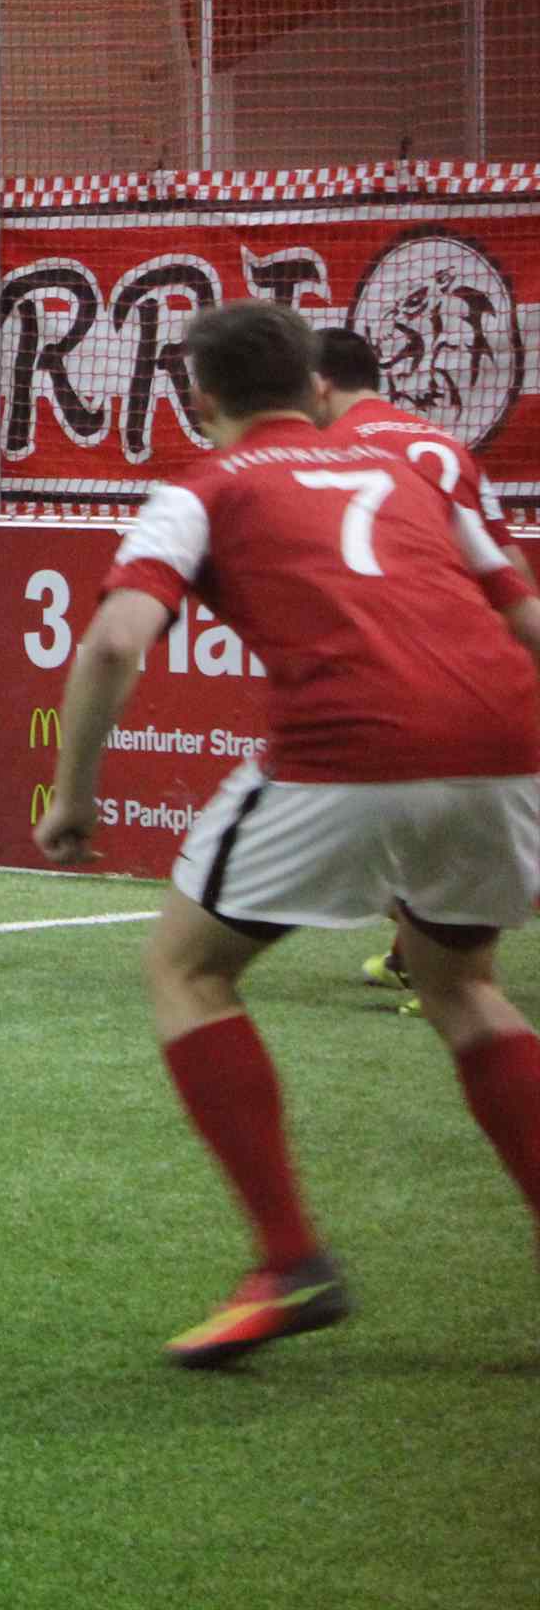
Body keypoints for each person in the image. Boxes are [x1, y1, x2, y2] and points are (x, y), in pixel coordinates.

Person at [34, 301, 540, 1368]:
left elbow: (116, 640)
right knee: (462, 985)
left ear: (201, 397)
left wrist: (72, 795)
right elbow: (525, 616)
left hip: (347, 746)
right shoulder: (411, 472)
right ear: (315, 389)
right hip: (507, 738)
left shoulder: (205, 487)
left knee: (186, 968)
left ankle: (289, 1260)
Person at [315, 323, 534, 1002]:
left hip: (395, 664)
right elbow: (508, 565)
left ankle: (449, 973)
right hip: (483, 665)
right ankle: (416, 957)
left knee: (339, 833)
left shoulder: (330, 450)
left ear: (317, 384)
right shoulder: (444, 445)